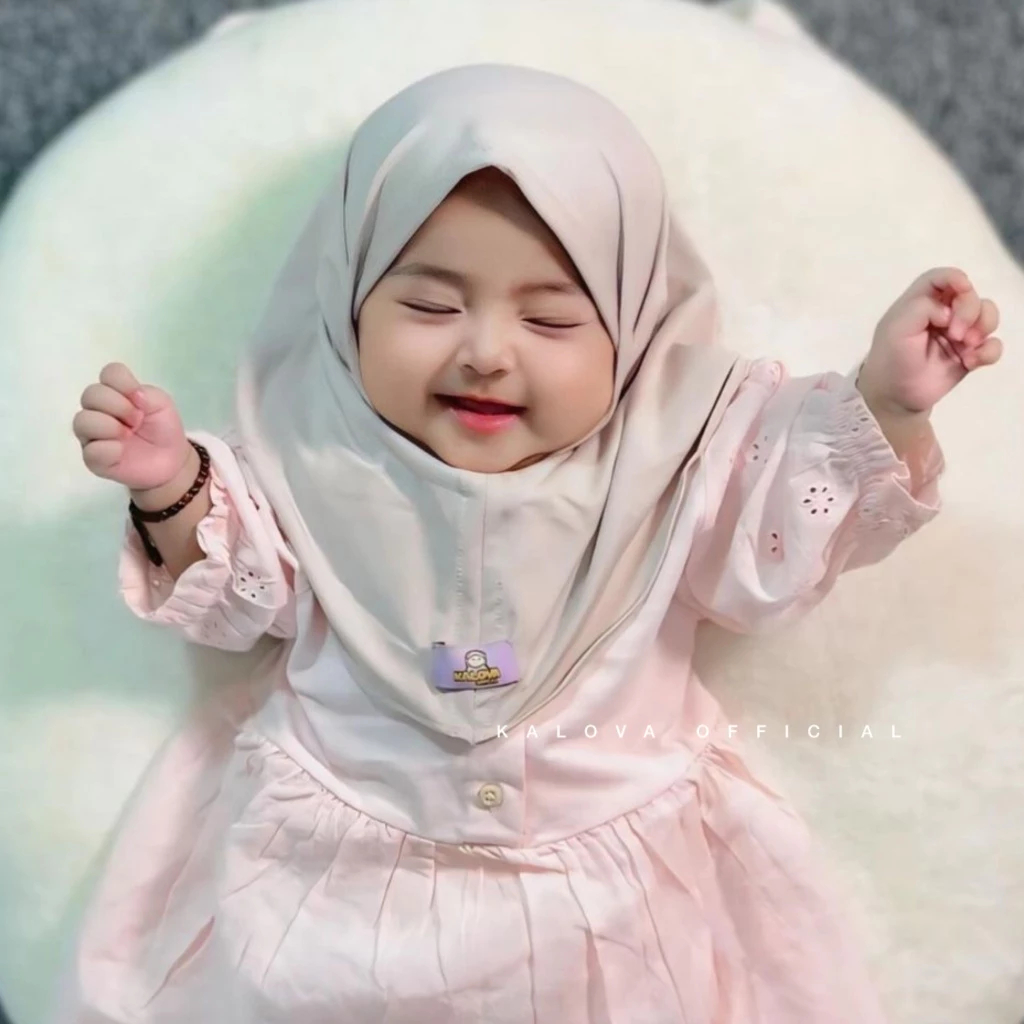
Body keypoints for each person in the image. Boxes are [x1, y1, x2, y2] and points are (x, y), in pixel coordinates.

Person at [66, 63, 1002, 1023]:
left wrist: (886, 405)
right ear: (347, 301)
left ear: (632, 329)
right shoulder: (306, 451)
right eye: (429, 307)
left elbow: (771, 565)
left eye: (550, 318)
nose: (485, 352)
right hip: (330, 887)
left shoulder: (684, 455)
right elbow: (237, 605)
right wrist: (170, 486)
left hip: (617, 907)